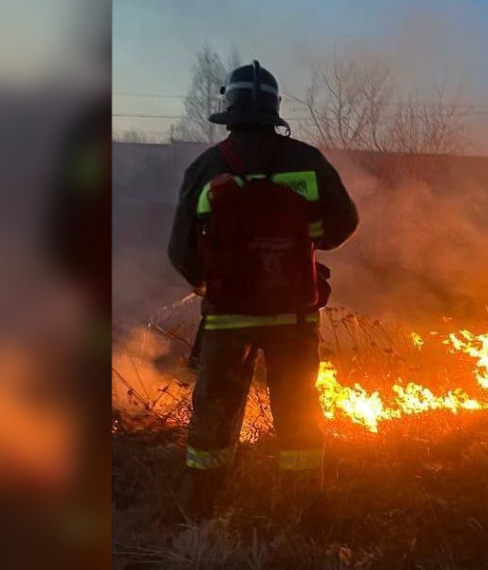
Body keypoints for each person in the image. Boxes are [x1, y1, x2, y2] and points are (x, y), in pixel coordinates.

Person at [167, 60, 359, 520]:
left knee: (214, 412)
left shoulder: (208, 166)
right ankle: (301, 513)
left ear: (228, 110)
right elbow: (345, 222)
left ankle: (202, 514)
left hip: (227, 317)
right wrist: (310, 243)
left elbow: (180, 250)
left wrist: (208, 281)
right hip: (294, 315)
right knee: (297, 410)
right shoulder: (307, 161)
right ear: (275, 109)